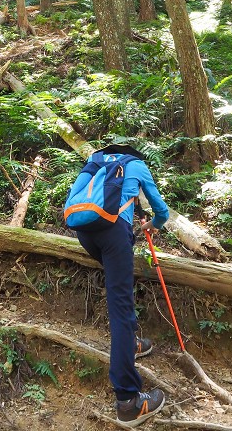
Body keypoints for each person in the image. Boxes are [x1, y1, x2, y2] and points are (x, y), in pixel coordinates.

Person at [68, 144, 169, 427]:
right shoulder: (136, 165)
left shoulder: (95, 160)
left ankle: (131, 344)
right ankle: (128, 402)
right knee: (121, 306)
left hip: (85, 232)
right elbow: (161, 210)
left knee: (118, 293)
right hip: (114, 234)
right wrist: (152, 224)